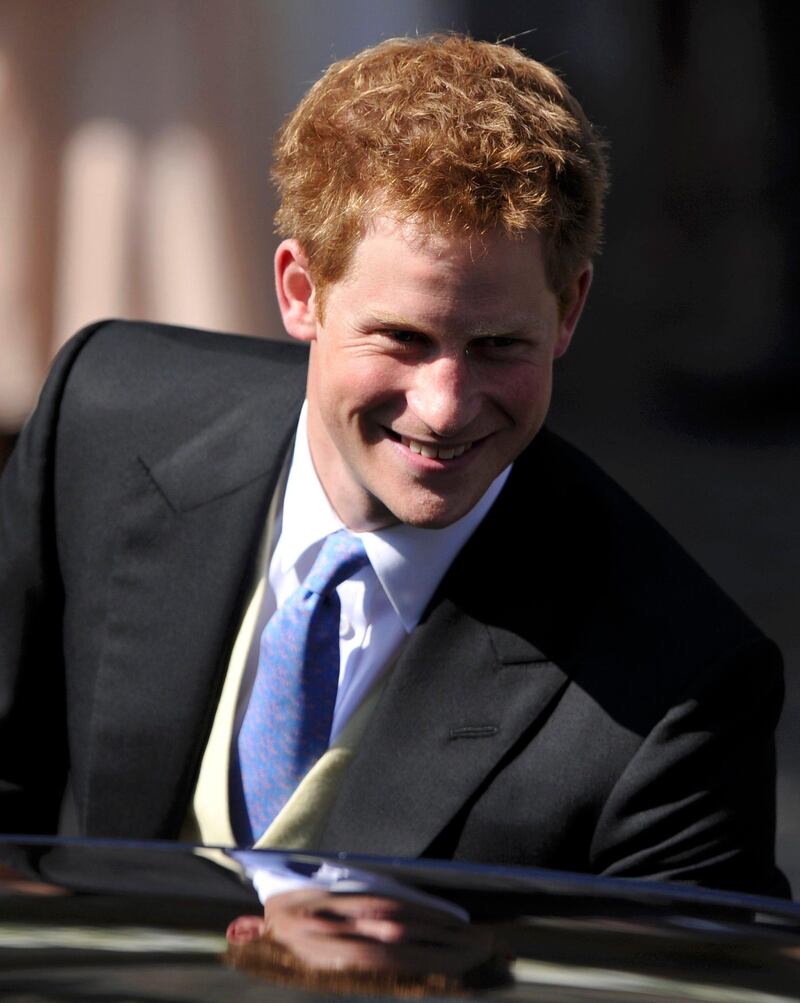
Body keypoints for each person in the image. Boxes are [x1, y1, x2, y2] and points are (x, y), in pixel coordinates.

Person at [0, 34, 788, 897]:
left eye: (498, 346)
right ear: (300, 290)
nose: (446, 405)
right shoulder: (102, 423)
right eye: (402, 338)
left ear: (569, 312)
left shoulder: (680, 689)